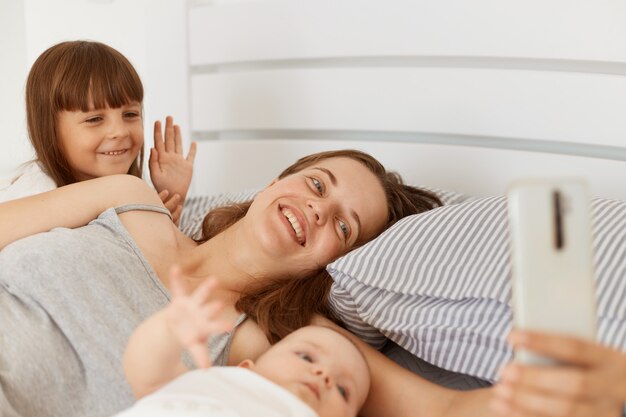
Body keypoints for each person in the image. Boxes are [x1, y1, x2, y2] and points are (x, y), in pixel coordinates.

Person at [1, 149, 622, 417]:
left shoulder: (288, 348)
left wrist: (591, 387)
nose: (319, 209)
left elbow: (448, 408)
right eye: (318, 184)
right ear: (276, 181)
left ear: (334, 264)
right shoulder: (128, 196)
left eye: (344, 227)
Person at [114, 266, 370, 417]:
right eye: (306, 357)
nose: (324, 375)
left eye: (343, 390)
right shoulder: (218, 384)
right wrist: (169, 329)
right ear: (246, 369)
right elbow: (147, 374)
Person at [0, 40, 196, 223]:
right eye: (94, 119)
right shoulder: (36, 191)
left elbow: (156, 256)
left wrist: (171, 199)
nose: (120, 131)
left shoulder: (131, 189)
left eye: (130, 114)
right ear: (49, 129)